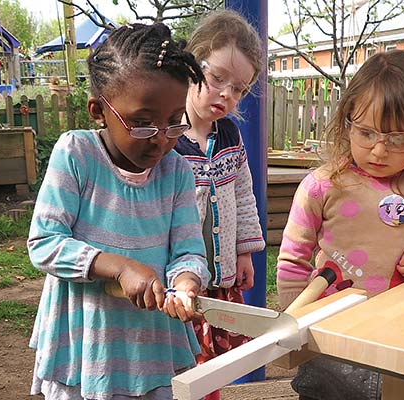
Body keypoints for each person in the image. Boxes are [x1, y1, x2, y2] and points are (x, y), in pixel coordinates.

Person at [27, 22, 211, 400]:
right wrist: (121, 267)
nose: (161, 138)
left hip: (152, 344)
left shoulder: (176, 172)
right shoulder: (76, 155)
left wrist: (186, 283)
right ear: (99, 110)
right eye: (142, 123)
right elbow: (45, 242)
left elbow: (188, 251)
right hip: (87, 344)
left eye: (175, 122)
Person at [276, 50, 404, 400]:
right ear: (347, 120)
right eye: (365, 133)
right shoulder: (323, 186)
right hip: (330, 339)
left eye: (397, 139)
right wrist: (295, 321)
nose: (379, 150)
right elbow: (293, 259)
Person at [173, 10, 265, 400]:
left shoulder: (229, 134)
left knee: (213, 365)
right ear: (194, 66)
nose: (227, 94)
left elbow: (243, 193)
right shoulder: (168, 138)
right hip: (181, 284)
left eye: (240, 88)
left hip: (221, 276)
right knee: (182, 361)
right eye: (217, 79)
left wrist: (245, 251)